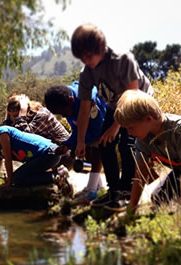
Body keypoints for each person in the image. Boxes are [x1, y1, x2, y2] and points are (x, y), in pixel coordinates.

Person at [71, 23, 153, 211]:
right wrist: (81, 141)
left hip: (139, 101)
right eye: (82, 57)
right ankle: (114, 190)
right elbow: (84, 110)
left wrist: (115, 127)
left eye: (89, 55)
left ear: (100, 47)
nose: (87, 61)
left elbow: (132, 97)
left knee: (127, 144)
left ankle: (127, 191)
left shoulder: (123, 60)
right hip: (115, 105)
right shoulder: (86, 73)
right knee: (105, 143)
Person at [114, 90, 181, 213]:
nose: (129, 133)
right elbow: (141, 174)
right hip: (179, 171)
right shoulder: (143, 139)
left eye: (131, 127)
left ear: (148, 119)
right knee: (158, 198)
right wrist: (131, 209)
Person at [0, 121, 68, 206]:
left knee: (16, 179)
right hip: (43, 158)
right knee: (17, 178)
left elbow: (8, 159)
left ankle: (57, 175)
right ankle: (56, 173)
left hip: (50, 153)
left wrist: (9, 181)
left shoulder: (2, 133)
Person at [45, 81, 107, 204]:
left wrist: (80, 143)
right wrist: (68, 145)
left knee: (95, 151)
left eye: (64, 112)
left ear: (71, 100)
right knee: (88, 154)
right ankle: (97, 187)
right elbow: (76, 129)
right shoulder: (65, 104)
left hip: (105, 124)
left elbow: (96, 131)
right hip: (92, 128)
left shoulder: (90, 102)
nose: (65, 116)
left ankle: (91, 191)